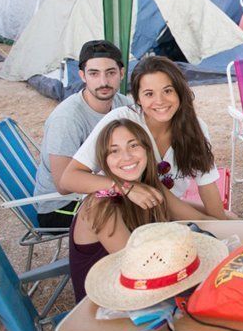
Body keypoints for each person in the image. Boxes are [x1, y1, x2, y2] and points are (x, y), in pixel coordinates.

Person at [62, 56, 231, 219]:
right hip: (126, 211)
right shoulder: (121, 122)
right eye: (149, 94)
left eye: (167, 91)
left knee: (229, 219)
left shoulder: (195, 127)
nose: (160, 101)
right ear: (138, 99)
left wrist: (223, 229)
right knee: (210, 223)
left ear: (180, 91)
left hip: (166, 207)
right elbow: (68, 179)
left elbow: (207, 185)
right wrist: (125, 187)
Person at [68, 118, 214, 303]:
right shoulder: (100, 206)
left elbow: (194, 216)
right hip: (107, 310)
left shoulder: (146, 187)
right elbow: (137, 267)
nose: (127, 157)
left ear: (147, 149)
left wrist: (228, 218)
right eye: (114, 151)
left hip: (146, 292)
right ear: (104, 160)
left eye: (133, 145)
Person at [33, 41, 132, 229]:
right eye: (94, 73)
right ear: (82, 76)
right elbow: (63, 184)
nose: (103, 82)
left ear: (121, 73)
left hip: (102, 188)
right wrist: (124, 188)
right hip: (61, 206)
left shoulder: (123, 104)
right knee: (136, 207)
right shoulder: (66, 118)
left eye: (110, 73)